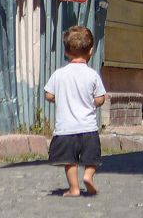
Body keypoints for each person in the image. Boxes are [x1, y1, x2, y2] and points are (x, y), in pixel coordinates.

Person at [44, 25, 107, 197]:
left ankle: (74, 188)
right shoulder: (92, 75)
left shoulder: (59, 74)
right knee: (92, 157)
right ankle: (88, 176)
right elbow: (101, 98)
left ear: (66, 52)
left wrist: (60, 98)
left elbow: (48, 94)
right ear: (91, 51)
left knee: (69, 161)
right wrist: (93, 102)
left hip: (66, 129)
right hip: (88, 128)